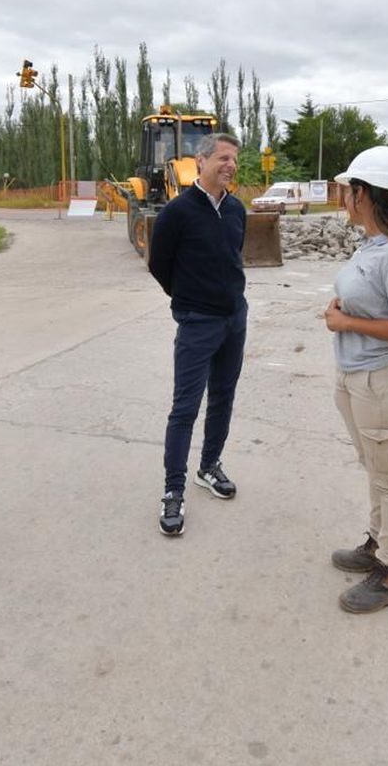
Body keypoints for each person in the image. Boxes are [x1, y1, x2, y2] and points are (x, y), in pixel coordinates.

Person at [323, 146, 388, 614]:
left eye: (348, 190)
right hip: (355, 375)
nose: (344, 196)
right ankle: (377, 545)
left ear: (361, 194)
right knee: (375, 467)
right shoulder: (370, 247)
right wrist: (341, 312)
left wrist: (347, 324)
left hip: (382, 379)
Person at [146, 132, 246, 536]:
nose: (230, 166)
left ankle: (209, 466)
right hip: (198, 322)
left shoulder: (237, 209)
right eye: (223, 158)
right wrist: (188, 301)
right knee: (185, 408)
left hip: (234, 319)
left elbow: (233, 256)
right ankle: (173, 490)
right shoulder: (178, 211)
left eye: (234, 160)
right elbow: (160, 264)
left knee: (223, 397)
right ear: (201, 161)